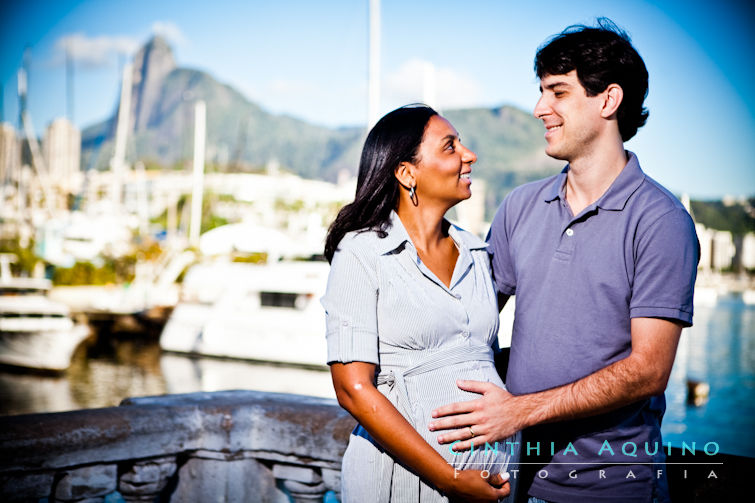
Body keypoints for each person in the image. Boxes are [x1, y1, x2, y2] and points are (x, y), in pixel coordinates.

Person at [428, 19, 699, 503]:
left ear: (608, 100)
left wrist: (519, 411)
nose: (539, 109)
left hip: (611, 489)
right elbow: (467, 320)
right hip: (511, 478)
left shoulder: (661, 220)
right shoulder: (519, 206)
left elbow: (649, 370)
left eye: (557, 92)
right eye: (540, 92)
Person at [322, 104, 519, 502]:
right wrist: (450, 478)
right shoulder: (362, 253)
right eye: (450, 147)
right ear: (406, 172)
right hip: (401, 483)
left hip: (491, 485)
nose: (469, 155)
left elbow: (480, 359)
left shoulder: (477, 252)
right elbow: (353, 389)